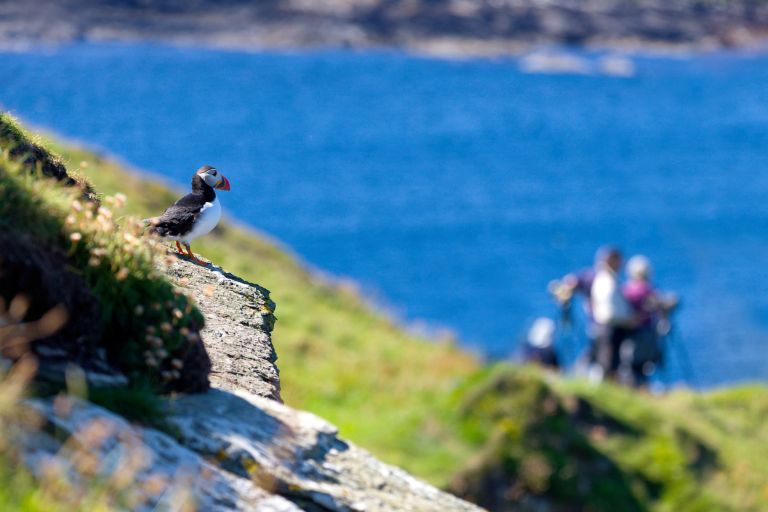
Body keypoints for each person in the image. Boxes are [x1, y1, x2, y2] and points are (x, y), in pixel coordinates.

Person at [621, 255, 679, 387]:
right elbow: (665, 303)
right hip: (646, 333)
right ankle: (643, 389)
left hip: (629, 334)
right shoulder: (648, 289)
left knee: (630, 366)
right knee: (643, 367)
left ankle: (634, 390)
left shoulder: (625, 289)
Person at [589, 247, 636, 381]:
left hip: (608, 327)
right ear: (612, 261)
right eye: (619, 260)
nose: (621, 264)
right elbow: (608, 313)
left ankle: (608, 389)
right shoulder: (606, 280)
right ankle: (608, 390)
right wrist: (629, 320)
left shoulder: (605, 278)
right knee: (608, 364)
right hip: (610, 328)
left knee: (609, 363)